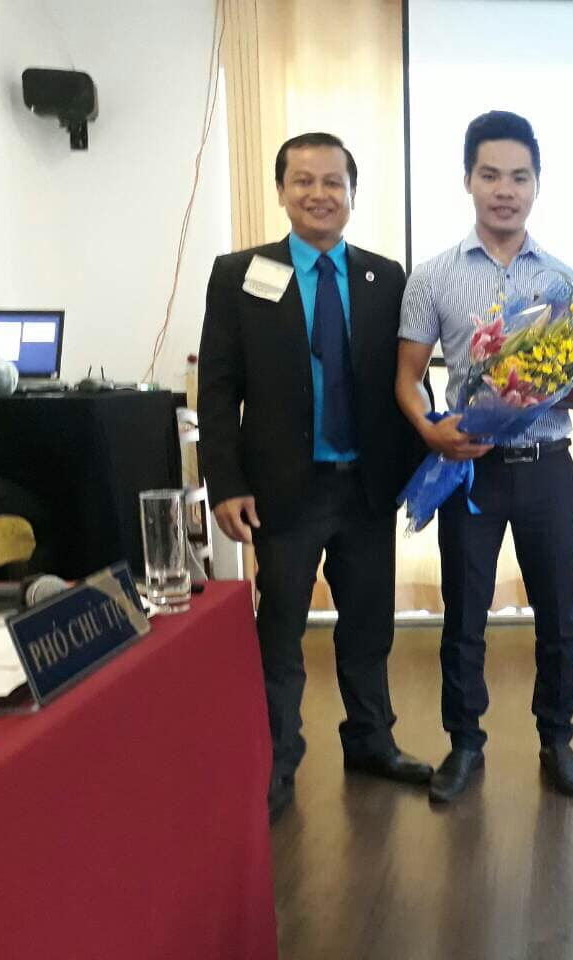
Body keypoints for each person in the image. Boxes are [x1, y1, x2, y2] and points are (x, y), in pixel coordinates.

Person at [198, 132, 433, 823]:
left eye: (334, 182)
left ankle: (371, 742)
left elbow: (408, 377)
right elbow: (217, 388)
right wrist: (225, 483)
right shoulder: (239, 274)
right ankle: (276, 758)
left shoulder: (385, 276)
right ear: (281, 191)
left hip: (366, 487)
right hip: (281, 490)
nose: (319, 194)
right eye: (303, 181)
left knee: (368, 626)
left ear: (353, 195)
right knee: (280, 633)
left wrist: (423, 468)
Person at [396, 110, 573, 803]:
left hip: (547, 467)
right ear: (468, 180)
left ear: (536, 184)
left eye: (519, 177)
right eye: (491, 175)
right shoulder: (433, 277)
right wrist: (430, 430)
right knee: (464, 615)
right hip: (469, 468)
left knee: (558, 615)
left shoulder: (563, 280)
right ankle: (465, 743)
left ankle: (557, 739)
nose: (505, 190)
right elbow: (407, 377)